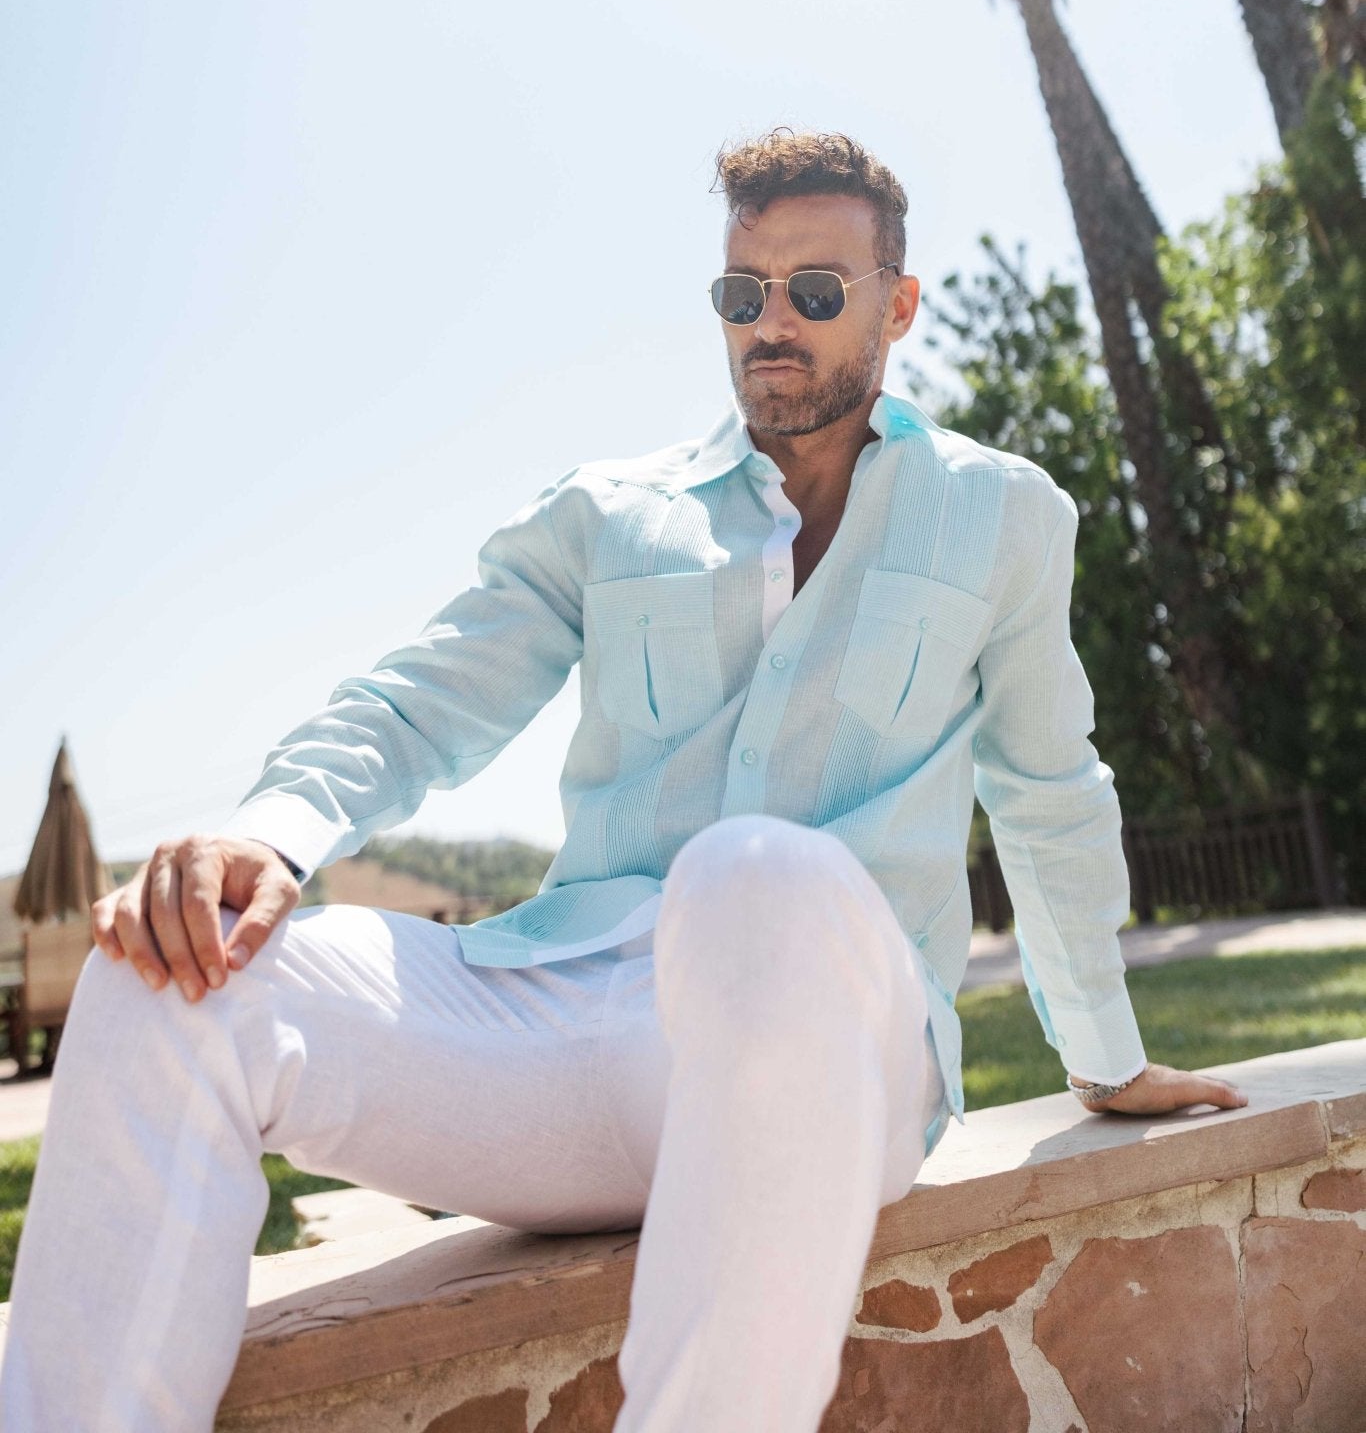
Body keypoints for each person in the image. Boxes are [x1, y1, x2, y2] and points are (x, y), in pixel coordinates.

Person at [1, 127, 1247, 1433]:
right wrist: (268, 833)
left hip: (828, 1051)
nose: (771, 322)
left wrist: (1103, 1056)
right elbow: (422, 698)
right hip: (569, 1027)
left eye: (814, 293)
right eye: (740, 292)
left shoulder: (1000, 514)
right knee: (166, 969)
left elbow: (1047, 788)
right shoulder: (611, 514)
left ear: (897, 302)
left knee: (751, 871)